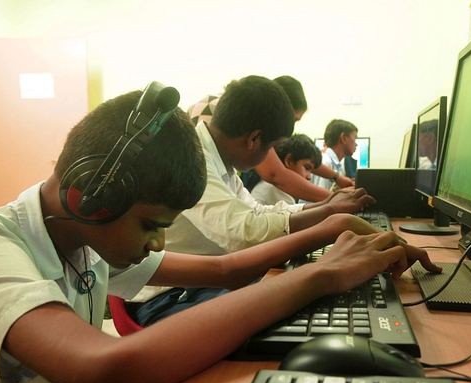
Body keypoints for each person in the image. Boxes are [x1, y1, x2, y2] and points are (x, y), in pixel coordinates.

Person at [0, 85, 441, 383]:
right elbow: (106, 379)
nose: (158, 243)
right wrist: (320, 277)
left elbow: (224, 270)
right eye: (153, 226)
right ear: (87, 197)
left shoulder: (83, 236)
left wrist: (331, 229)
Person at [127, 76, 376, 325]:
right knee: (286, 314)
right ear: (254, 138)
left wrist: (322, 207)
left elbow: (255, 212)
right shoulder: (192, 159)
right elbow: (244, 233)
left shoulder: (220, 160)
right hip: (171, 296)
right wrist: (329, 218)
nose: (270, 157)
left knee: (301, 303)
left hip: (201, 284)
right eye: (272, 147)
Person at [186, 75, 353, 201]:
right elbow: (276, 174)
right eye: (293, 118)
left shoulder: (237, 105)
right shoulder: (235, 123)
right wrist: (335, 200)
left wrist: (337, 178)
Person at [251, 133, 322, 205]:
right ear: (289, 161)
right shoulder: (278, 193)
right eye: (307, 168)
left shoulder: (270, 186)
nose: (309, 177)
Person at [311, 119, 359, 190]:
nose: (356, 144)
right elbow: (318, 199)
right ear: (343, 138)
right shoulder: (326, 162)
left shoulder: (334, 164)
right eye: (354, 139)